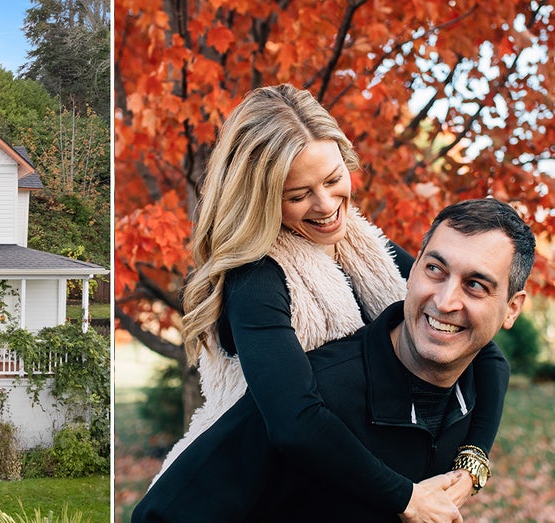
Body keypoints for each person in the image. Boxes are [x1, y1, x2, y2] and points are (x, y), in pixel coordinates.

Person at [137, 85, 510, 521]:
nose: (328, 206)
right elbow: (294, 421)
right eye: (299, 195)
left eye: (334, 179)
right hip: (246, 493)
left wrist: (472, 464)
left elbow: (486, 354)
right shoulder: (256, 280)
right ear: (261, 197)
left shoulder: (365, 245)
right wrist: (406, 499)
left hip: (335, 490)